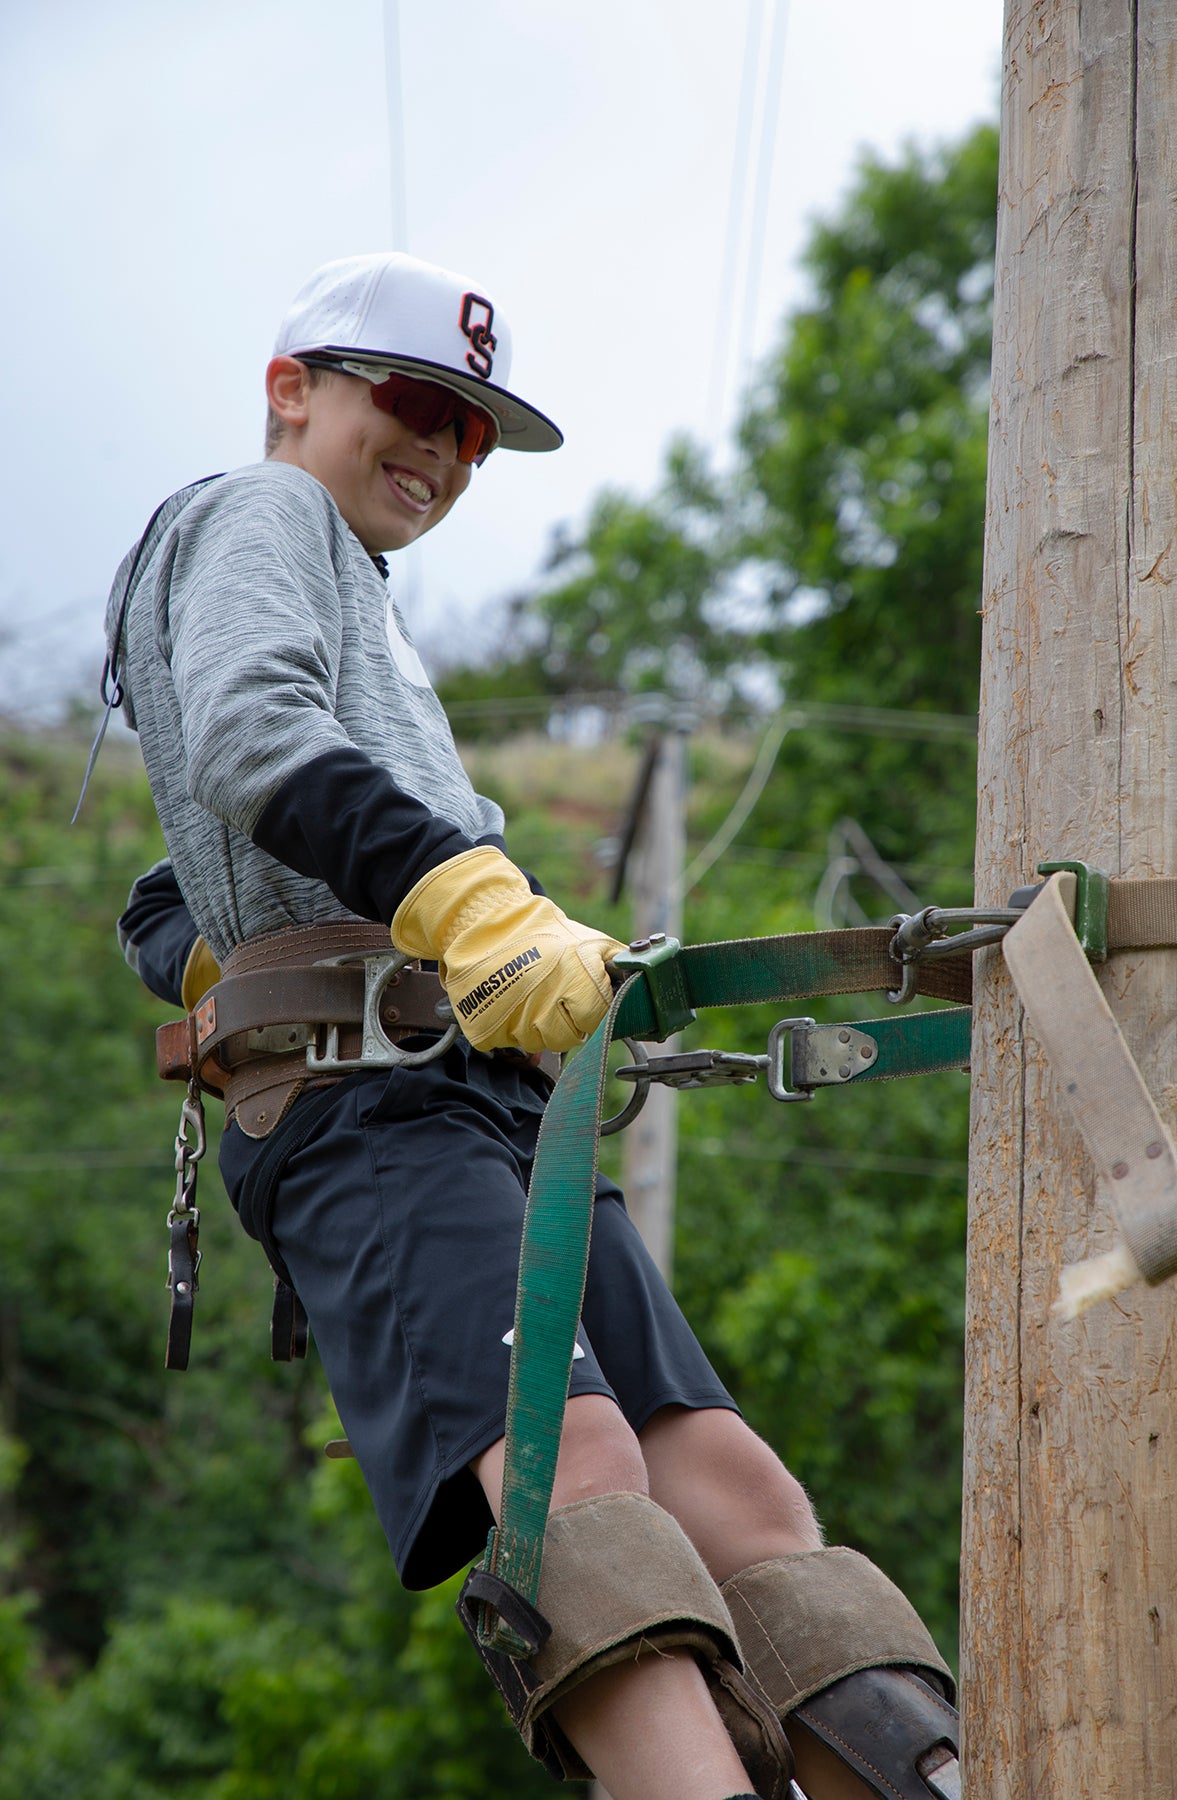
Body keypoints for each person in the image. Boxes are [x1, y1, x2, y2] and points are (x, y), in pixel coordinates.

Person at [108, 251, 960, 1800]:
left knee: (737, 1492)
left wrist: (219, 952)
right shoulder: (261, 514)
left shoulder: (355, 599)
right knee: (582, 1472)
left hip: (486, 1098)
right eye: (417, 400)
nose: (442, 449)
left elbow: (174, 880)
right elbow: (247, 735)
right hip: (373, 1108)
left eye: (475, 432)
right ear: (293, 392)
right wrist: (464, 908)